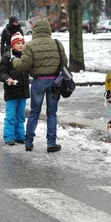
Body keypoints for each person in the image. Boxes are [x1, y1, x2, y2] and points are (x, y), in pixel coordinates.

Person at [12, 18, 67, 153]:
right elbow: (64, 62)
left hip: (38, 82)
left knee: (34, 113)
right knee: (52, 113)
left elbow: (24, 65)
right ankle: (51, 143)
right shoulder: (57, 43)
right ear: (48, 29)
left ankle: (29, 142)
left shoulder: (30, 45)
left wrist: (14, 60)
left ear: (35, 30)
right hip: (55, 83)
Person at [0, 32, 30, 145]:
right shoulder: (7, 58)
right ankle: (9, 137)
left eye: (22, 43)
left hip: (23, 92)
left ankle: (20, 136)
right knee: (11, 117)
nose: (21, 45)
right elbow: (1, 72)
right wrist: (7, 79)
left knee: (20, 117)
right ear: (13, 45)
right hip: (11, 93)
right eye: (18, 43)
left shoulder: (26, 57)